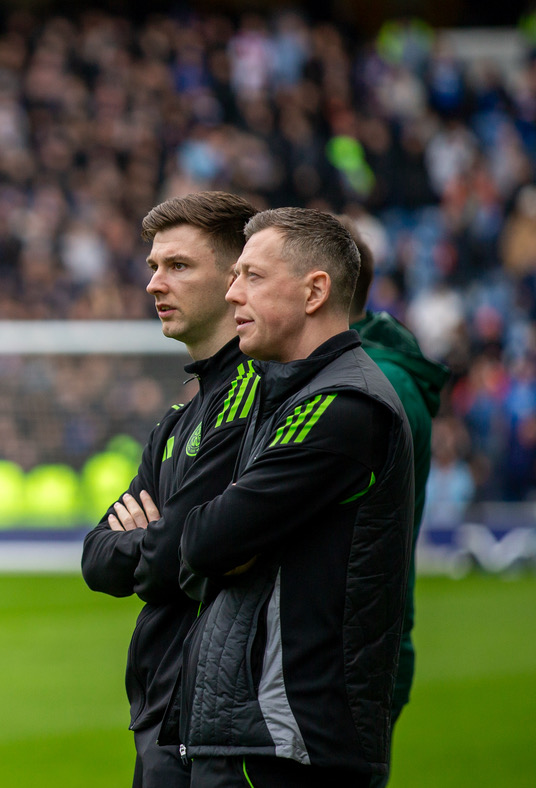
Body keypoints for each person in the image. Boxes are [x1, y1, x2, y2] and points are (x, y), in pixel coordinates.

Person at [171, 208, 414, 787]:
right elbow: (208, 539)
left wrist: (212, 534)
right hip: (257, 730)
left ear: (315, 291)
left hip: (296, 741)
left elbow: (203, 539)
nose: (232, 295)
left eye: (252, 277)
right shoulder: (279, 392)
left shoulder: (343, 406)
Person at [81, 191, 258, 788]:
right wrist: (151, 543)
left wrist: (148, 539)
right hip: (163, 710)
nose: (155, 283)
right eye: (153, 266)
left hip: (210, 715)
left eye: (178, 266)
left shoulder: (250, 400)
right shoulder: (180, 419)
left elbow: (170, 558)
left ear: (236, 278)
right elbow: (95, 557)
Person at [345, 224, 448, 786]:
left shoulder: (373, 389)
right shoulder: (374, 376)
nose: (240, 291)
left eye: (258, 276)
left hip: (352, 651)